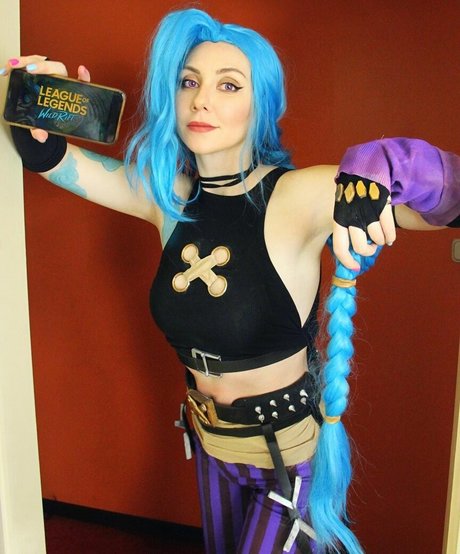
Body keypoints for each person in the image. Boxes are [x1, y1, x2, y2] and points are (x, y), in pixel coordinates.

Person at [2, 8, 458, 554]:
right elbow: (48, 158)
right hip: (211, 448)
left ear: (260, 103)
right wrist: (31, 95)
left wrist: (387, 163)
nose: (201, 101)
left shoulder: (299, 195)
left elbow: (448, 202)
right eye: (188, 82)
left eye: (228, 85)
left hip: (285, 460)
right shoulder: (167, 198)